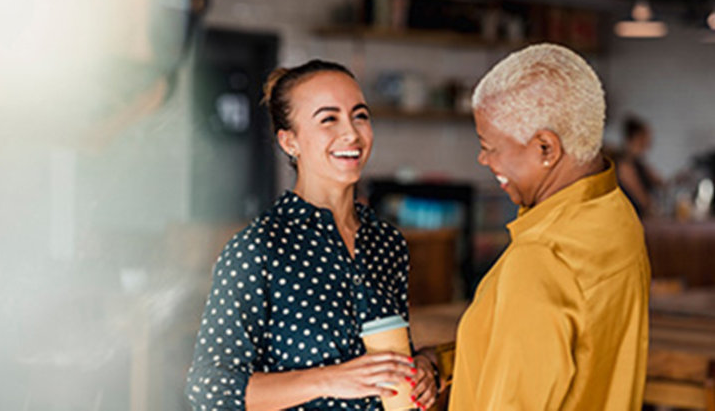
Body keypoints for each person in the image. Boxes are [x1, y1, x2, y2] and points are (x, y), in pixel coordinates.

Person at [184, 59, 439, 411]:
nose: (351, 133)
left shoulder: (387, 243)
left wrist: (425, 367)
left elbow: (390, 356)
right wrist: (331, 379)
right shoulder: (259, 248)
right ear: (290, 142)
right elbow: (209, 389)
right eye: (328, 119)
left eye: (360, 115)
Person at [449, 44, 650, 410]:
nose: (483, 158)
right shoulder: (616, 216)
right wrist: (450, 361)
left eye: (489, 145)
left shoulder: (542, 257)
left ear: (545, 148)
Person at [617, 115, 663, 217]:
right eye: (646, 136)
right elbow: (643, 199)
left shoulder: (639, 162)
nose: (649, 140)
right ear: (637, 137)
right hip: (630, 219)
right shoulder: (625, 165)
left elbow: (660, 183)